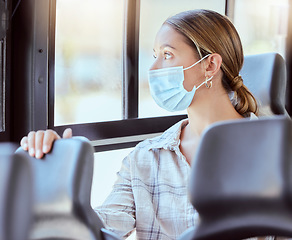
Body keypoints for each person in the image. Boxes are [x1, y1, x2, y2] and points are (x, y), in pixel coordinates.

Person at [21, 9, 259, 240]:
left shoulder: (272, 150)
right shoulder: (145, 158)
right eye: (155, 55)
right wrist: (62, 190)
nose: (153, 69)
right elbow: (103, 227)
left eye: (167, 55)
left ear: (210, 66)